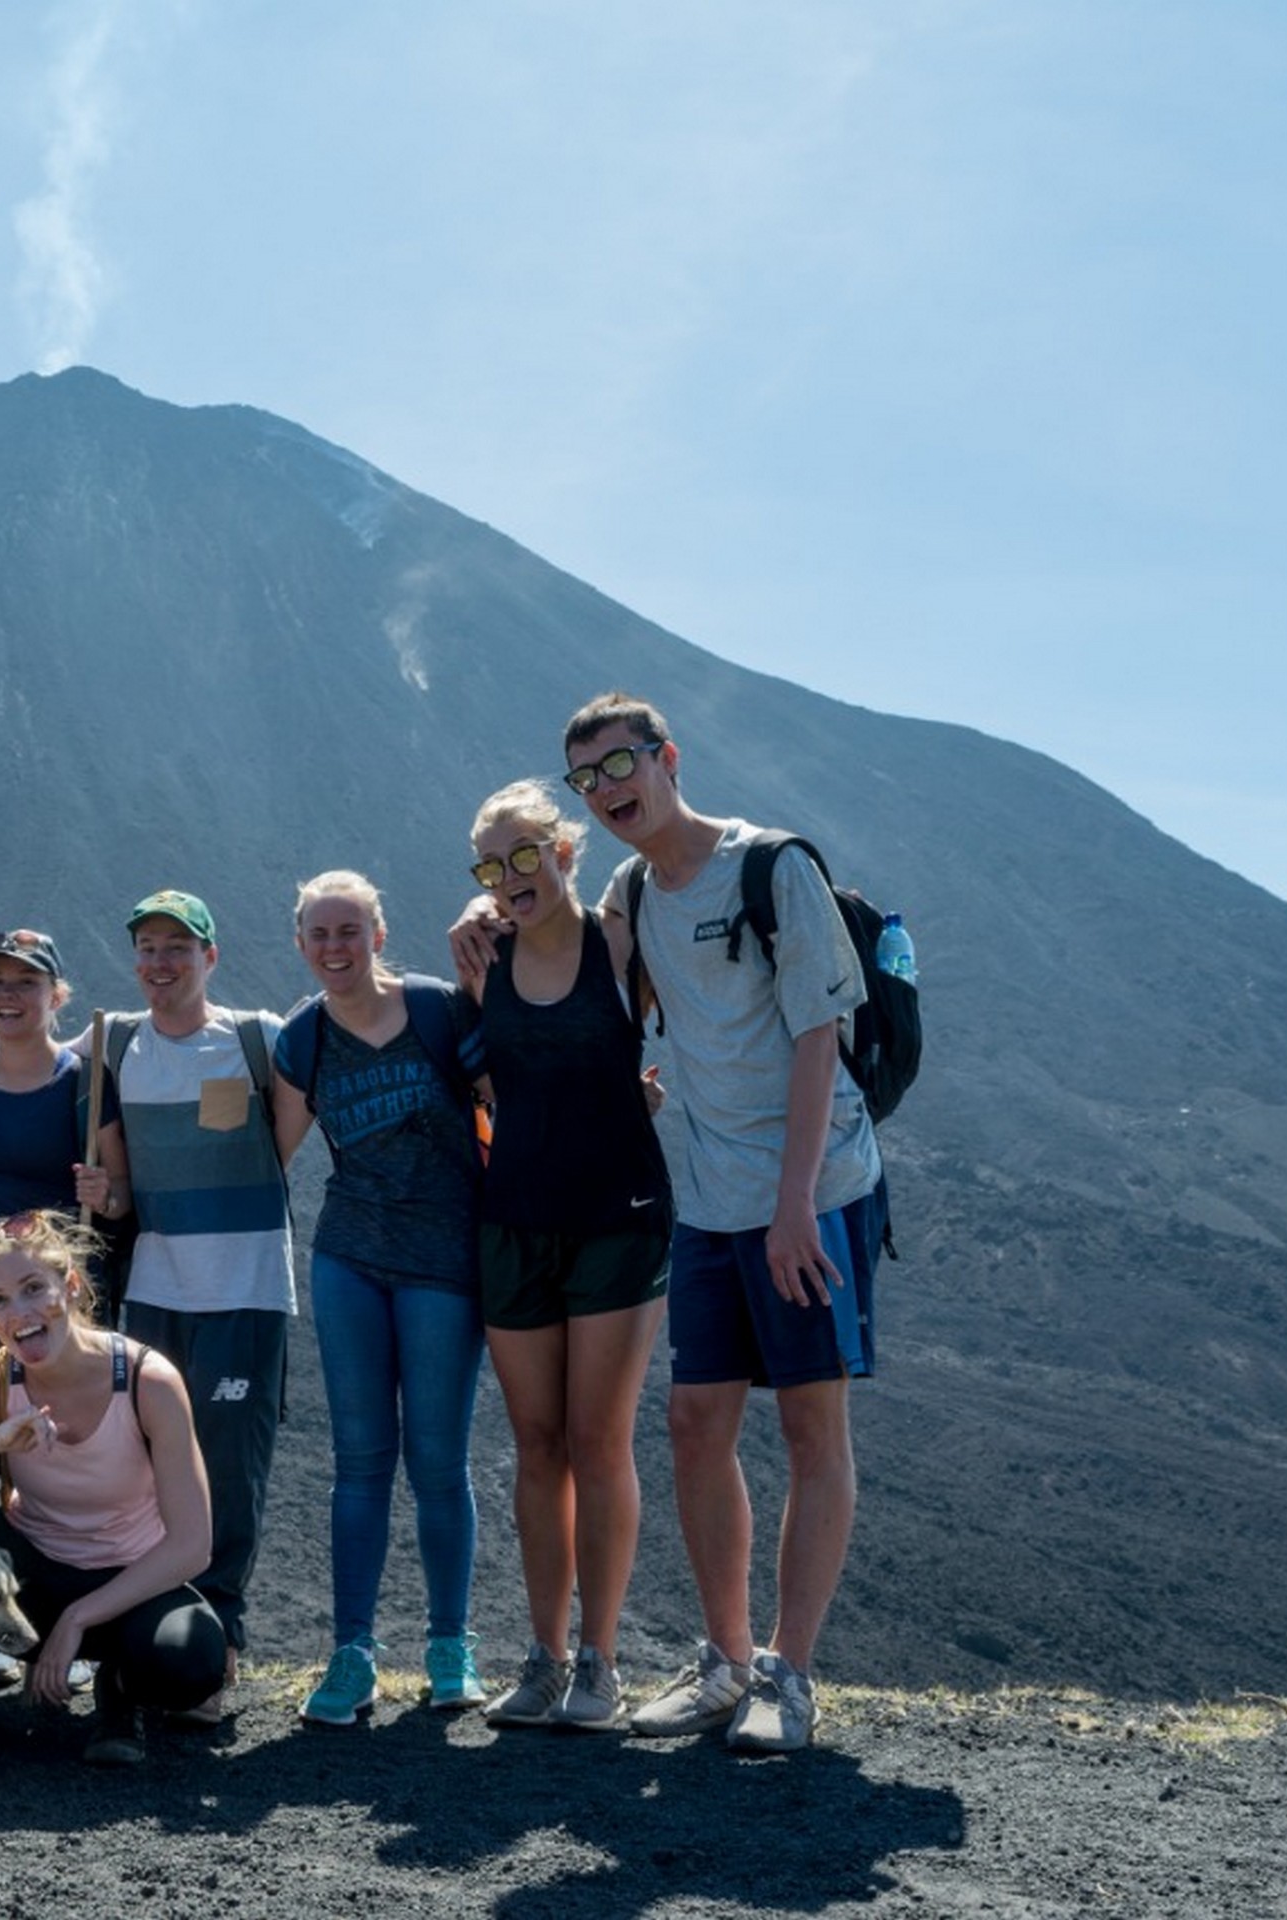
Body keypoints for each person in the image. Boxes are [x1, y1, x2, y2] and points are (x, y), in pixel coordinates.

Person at [564, 690, 886, 1753]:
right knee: (695, 1423)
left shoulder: (769, 866)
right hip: (706, 1200)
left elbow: (816, 1036)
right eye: (590, 780)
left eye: (622, 767)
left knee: (807, 1425)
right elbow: (578, 986)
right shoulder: (629, 890)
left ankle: (789, 1679)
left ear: (667, 757)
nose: (611, 792)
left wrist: (795, 1206)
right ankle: (726, 1665)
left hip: (814, 1192)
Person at [0, 1212, 224, 1768]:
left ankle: (120, 1690)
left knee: (189, 1662)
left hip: (131, 1587)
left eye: (33, 1289)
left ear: (69, 1286)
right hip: (32, 1580)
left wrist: (79, 1620)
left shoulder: (148, 1379)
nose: (20, 1313)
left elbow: (192, 1546)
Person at [458, 782, 672, 1733]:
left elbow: (694, 1035)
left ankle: (601, 1661)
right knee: (537, 1446)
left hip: (619, 1220)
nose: (512, 879)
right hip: (516, 1219)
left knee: (599, 1440)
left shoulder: (624, 943)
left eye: (525, 856)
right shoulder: (481, 957)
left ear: (564, 851)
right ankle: (543, 1659)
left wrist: (655, 1101)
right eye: (492, 868)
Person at [268, 871, 492, 1724]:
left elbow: (509, 1097)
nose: (335, 947)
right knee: (360, 1463)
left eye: (349, 930)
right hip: (350, 1259)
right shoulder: (304, 1041)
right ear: (300, 944)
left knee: (438, 1461)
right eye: (320, 933)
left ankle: (449, 1646)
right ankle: (352, 1652)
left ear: (379, 935)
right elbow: (270, 1159)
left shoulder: (440, 1011)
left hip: (444, 1260)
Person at [75, 888, 291, 1724]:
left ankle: (219, 1645)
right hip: (155, 1291)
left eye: (179, 947)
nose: (162, 963)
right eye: (149, 949)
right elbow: (121, 1195)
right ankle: (146, 1637)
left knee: (231, 1468)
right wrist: (108, 1192)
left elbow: (284, 1143)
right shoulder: (115, 1045)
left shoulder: (255, 1038)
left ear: (211, 956)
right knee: (147, 1468)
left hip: (246, 1290)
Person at [0, 929, 128, 1338]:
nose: (8, 994)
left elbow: (122, 1193)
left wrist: (106, 1197)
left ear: (56, 997)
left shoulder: (85, 1083)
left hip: (42, 1299)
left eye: (27, 982)